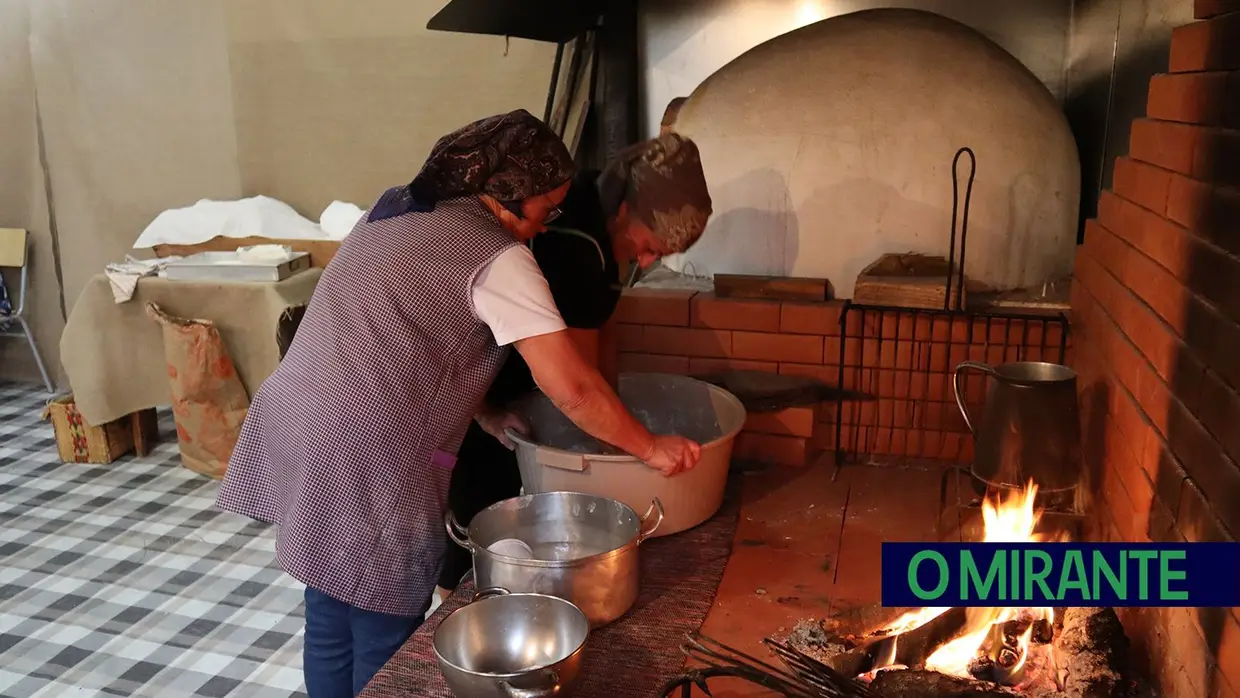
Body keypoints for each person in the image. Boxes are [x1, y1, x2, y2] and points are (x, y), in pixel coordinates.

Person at [214, 109, 702, 698]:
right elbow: (572, 386)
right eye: (546, 211)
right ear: (510, 193)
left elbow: (403, 336)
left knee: (329, 620)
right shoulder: (498, 258)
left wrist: (483, 410)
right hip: (368, 457)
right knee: (382, 634)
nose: (545, 228)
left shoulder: (398, 207)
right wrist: (651, 448)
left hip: (300, 422)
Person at [437, 131, 714, 598]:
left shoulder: (596, 209)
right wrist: (634, 446)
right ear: (625, 209)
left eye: (659, 257)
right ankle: (463, 608)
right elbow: (578, 385)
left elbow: (602, 331)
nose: (645, 261)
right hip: (485, 383)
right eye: (646, 246)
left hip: (511, 391)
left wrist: (616, 410)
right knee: (479, 523)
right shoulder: (577, 243)